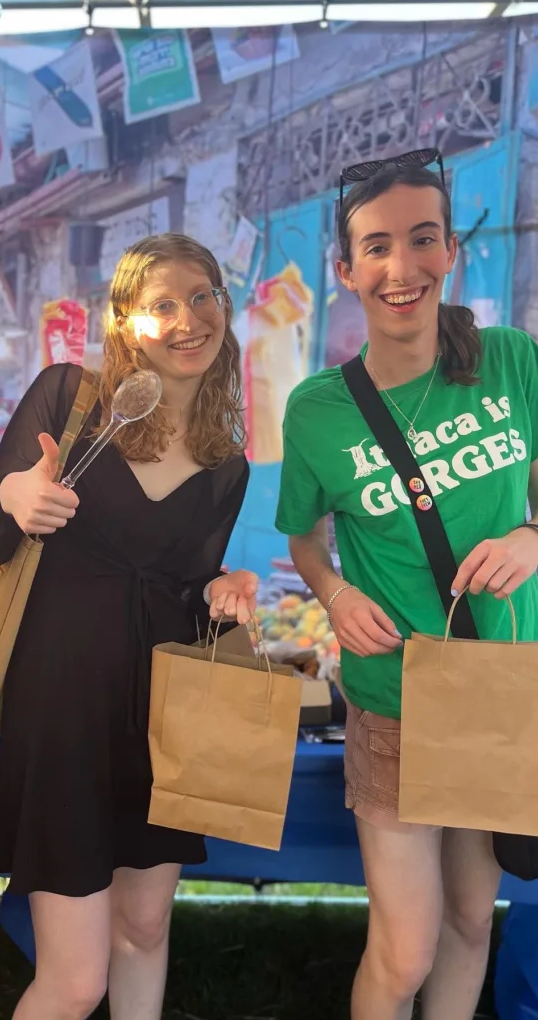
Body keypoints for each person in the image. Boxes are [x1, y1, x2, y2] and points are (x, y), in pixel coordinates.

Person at [0, 233, 258, 1020]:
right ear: (125, 323)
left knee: (145, 927)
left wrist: (224, 587)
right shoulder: (70, 399)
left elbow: (186, 593)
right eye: (161, 304)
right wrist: (17, 498)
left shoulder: (228, 462)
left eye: (201, 298)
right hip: (63, 715)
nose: (186, 320)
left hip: (161, 723)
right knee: (75, 979)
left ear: (224, 307)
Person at [276, 154, 538, 1020]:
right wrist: (334, 593)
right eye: (376, 247)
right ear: (345, 270)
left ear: (451, 250)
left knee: (471, 920)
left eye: (422, 239)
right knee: (404, 948)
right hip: (394, 703)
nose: (402, 267)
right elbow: (303, 538)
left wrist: (531, 536)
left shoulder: (508, 361)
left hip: (502, 688)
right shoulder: (318, 408)